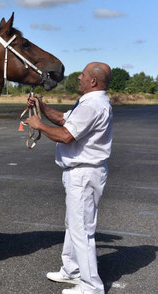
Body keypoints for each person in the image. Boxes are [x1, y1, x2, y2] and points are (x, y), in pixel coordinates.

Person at [25, 62, 113, 294]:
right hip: (80, 172)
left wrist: (39, 125)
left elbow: (66, 135)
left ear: (93, 81)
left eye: (83, 75)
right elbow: (66, 120)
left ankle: (91, 286)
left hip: (84, 173)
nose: (79, 78)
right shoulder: (90, 103)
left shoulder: (92, 106)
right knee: (74, 225)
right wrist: (42, 107)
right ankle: (71, 270)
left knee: (82, 229)